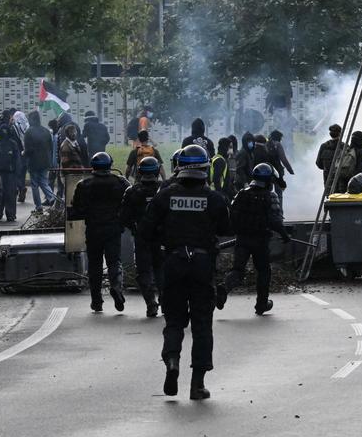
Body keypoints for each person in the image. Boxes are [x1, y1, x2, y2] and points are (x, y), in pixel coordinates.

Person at [138, 144, 231, 400]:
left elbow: (145, 231)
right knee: (202, 325)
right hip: (202, 266)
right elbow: (226, 228)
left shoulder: (164, 196)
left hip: (173, 263)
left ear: (179, 168)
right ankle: (197, 385)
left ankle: (172, 362)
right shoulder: (214, 199)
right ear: (204, 170)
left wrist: (164, 238)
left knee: (174, 321)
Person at [217, 163, 290, 316]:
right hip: (260, 241)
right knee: (263, 271)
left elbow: (232, 216)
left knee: (237, 270)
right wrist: (284, 235)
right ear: (268, 180)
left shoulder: (242, 194)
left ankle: (224, 288)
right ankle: (261, 304)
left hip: (242, 240)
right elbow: (275, 220)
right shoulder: (270, 196)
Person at [70, 152, 130, 313]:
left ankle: (96, 301)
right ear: (110, 165)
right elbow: (128, 202)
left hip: (93, 229)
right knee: (114, 261)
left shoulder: (84, 185)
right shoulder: (120, 182)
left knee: (95, 265)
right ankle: (116, 286)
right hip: (113, 228)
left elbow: (77, 209)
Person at [119, 156, 165, 317]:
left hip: (141, 237)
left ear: (139, 172)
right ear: (157, 171)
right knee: (162, 269)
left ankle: (151, 303)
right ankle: (165, 302)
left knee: (144, 271)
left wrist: (134, 228)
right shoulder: (165, 191)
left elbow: (123, 217)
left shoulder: (132, 192)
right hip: (162, 238)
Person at [23, 111, 55, 212]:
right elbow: (50, 148)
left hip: (33, 162)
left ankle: (38, 206)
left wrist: (23, 153)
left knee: (34, 184)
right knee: (44, 181)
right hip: (45, 161)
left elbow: (28, 149)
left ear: (32, 119)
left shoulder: (29, 132)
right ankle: (51, 197)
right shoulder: (46, 131)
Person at [0, 127, 22, 223]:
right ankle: (0, 213)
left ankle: (9, 214)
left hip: (9, 173)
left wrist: (17, 173)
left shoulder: (12, 144)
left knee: (9, 194)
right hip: (1, 173)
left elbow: (17, 160)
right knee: (3, 194)